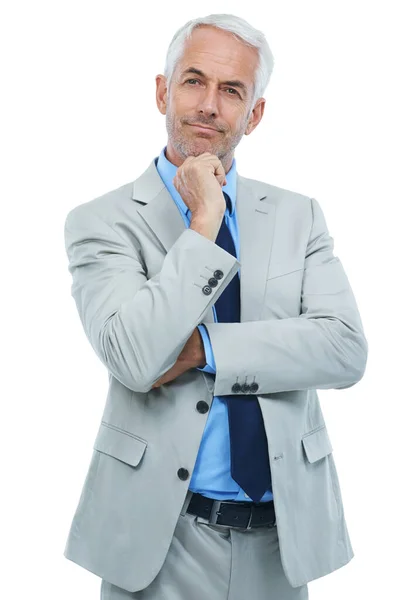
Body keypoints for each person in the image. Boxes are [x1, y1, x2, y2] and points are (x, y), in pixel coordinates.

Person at [62, 13, 368, 600]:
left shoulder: (297, 215)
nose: (208, 105)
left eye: (232, 91)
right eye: (194, 81)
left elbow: (344, 347)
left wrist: (205, 350)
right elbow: (133, 357)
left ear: (254, 114)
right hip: (157, 542)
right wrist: (203, 224)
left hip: (282, 545)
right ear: (162, 92)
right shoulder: (101, 222)